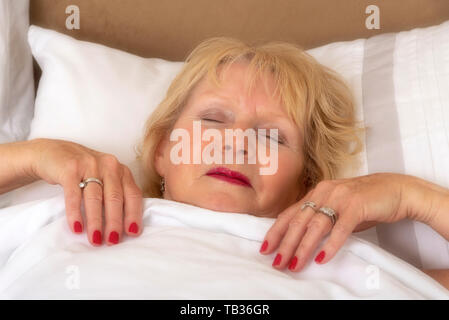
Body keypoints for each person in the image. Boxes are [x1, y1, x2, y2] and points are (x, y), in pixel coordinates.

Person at [0, 37, 448, 289]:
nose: (237, 144)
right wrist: (37, 155)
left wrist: (413, 196)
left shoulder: (350, 263)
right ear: (163, 152)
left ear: (306, 182)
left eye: (272, 136)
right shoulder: (75, 217)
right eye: (212, 120)